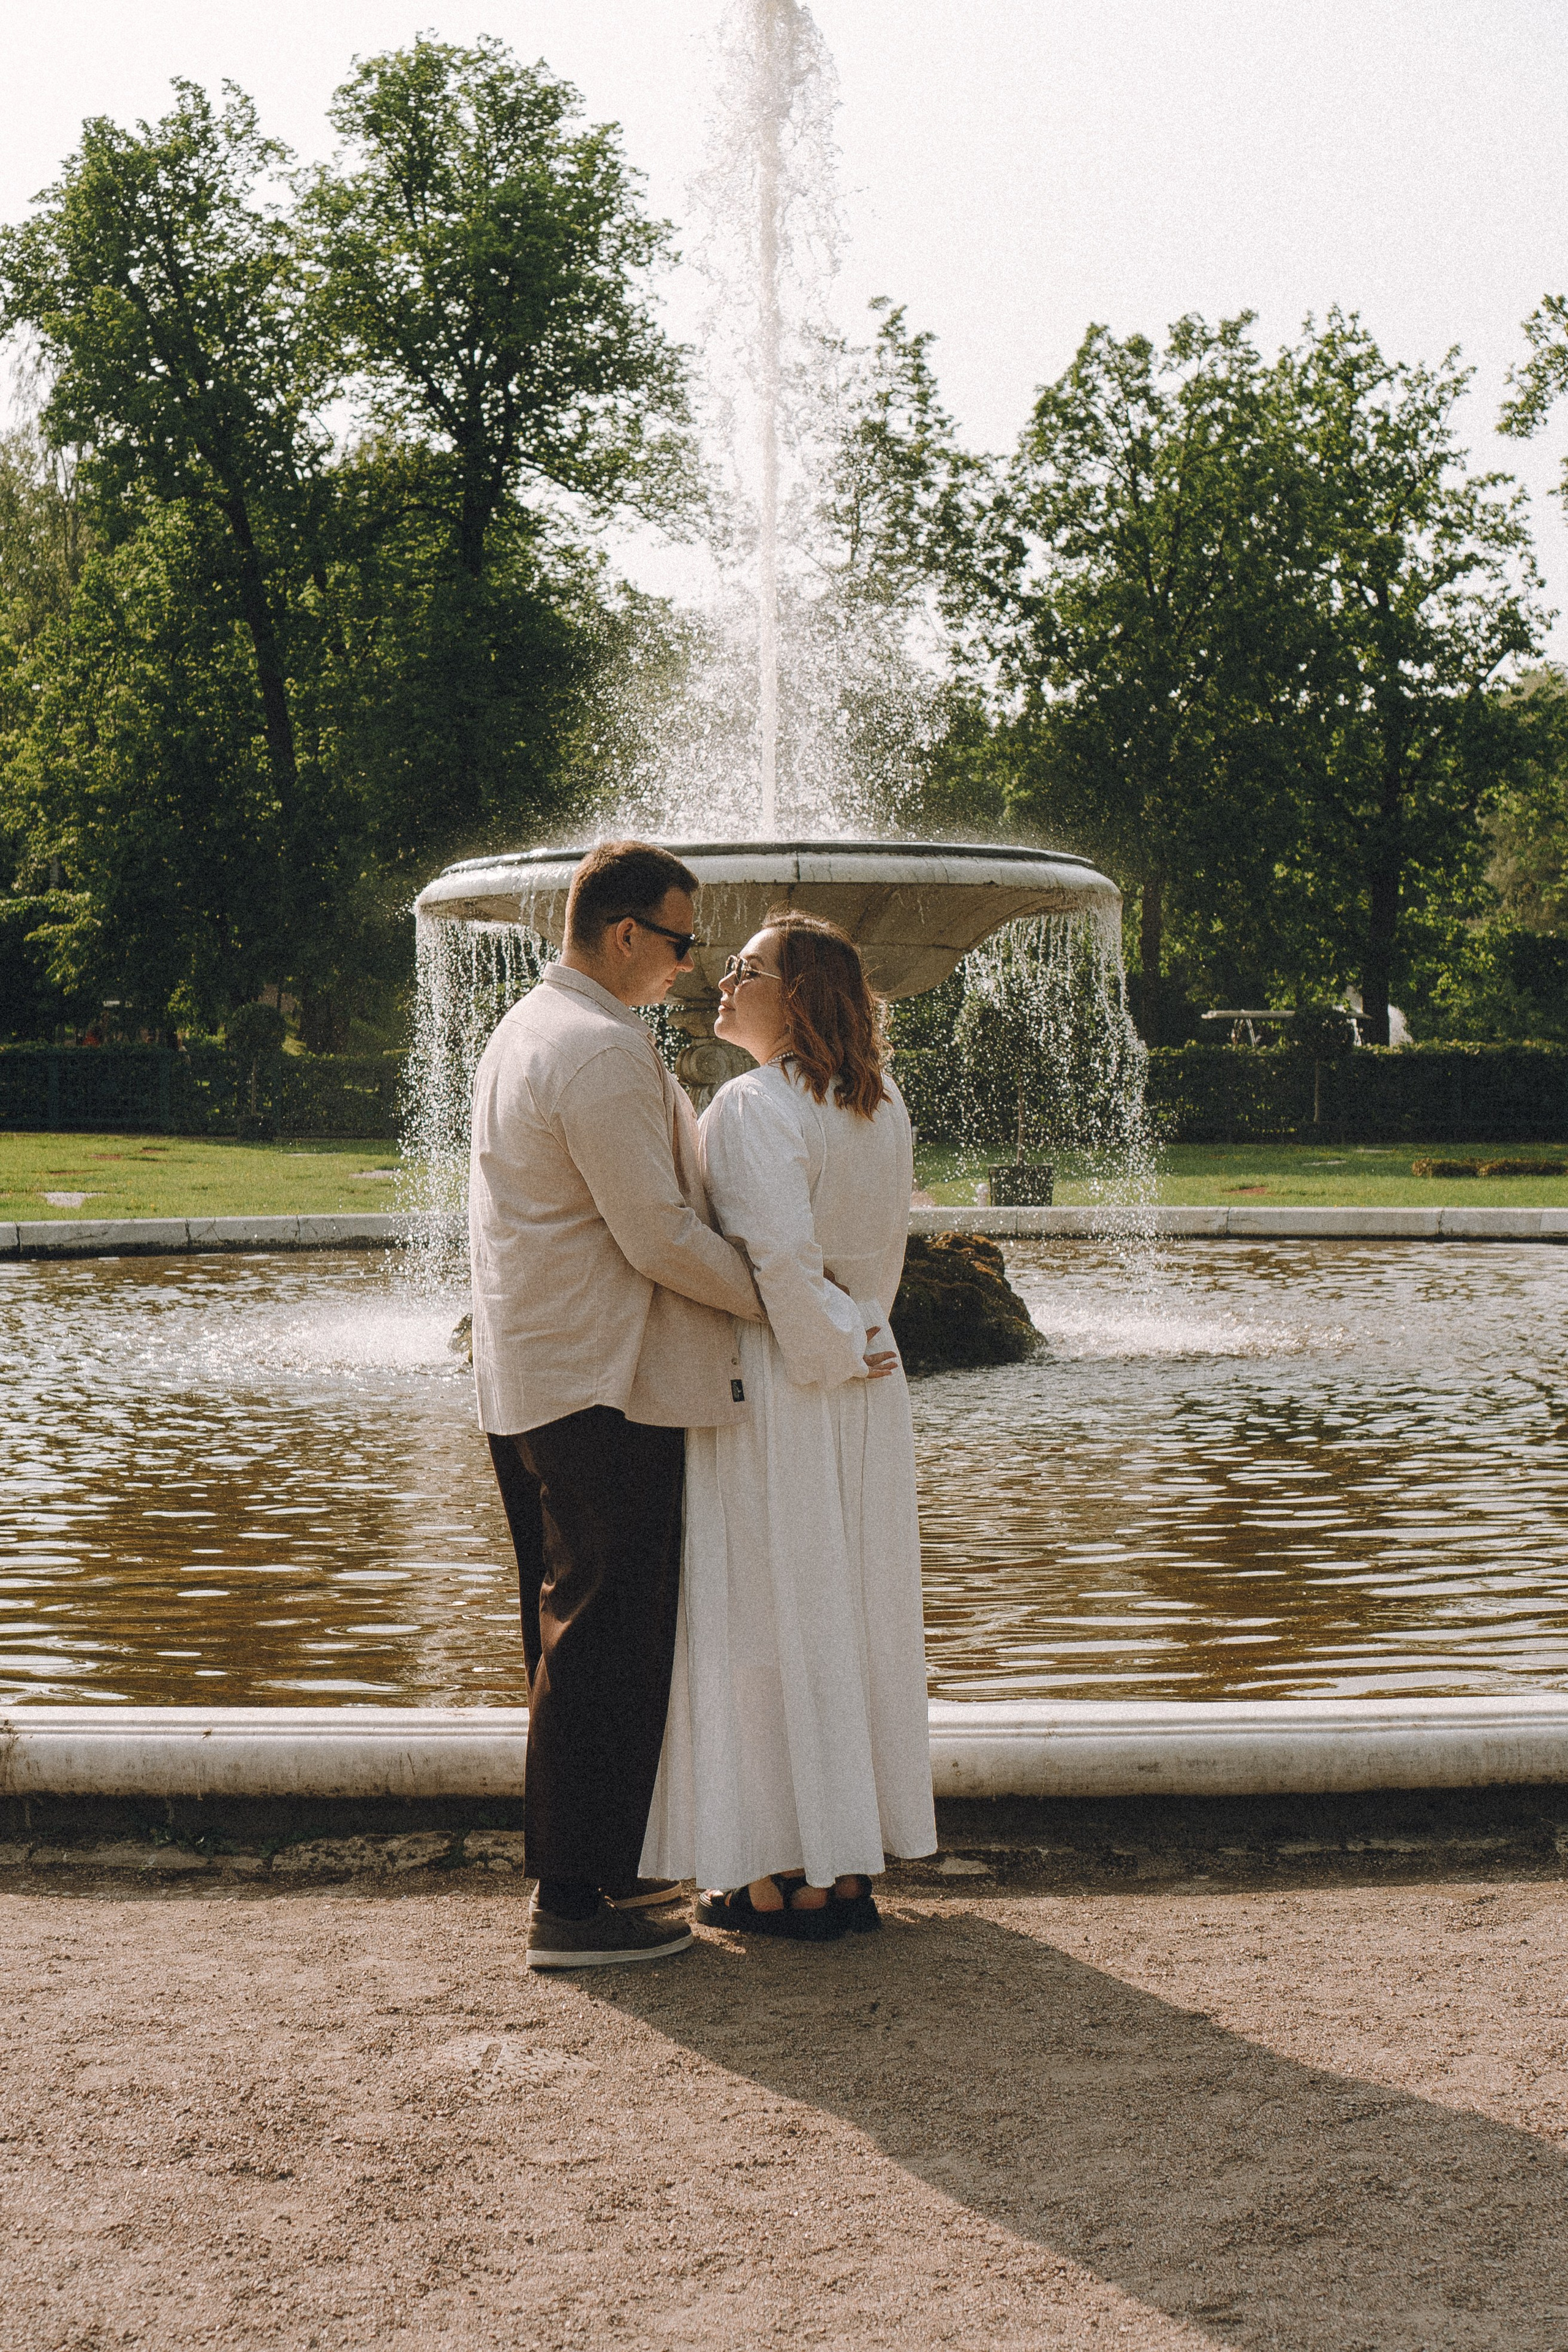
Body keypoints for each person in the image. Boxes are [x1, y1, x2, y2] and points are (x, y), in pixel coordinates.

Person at [470, 840, 767, 1971]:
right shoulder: (596, 1049)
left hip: (543, 1374)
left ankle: (601, 1871)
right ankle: (573, 1904)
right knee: (604, 1635)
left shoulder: (530, 1030)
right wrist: (782, 1301)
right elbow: (655, 1237)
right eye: (683, 942)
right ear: (628, 933)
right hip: (604, 1378)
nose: (691, 967)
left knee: (570, 1629)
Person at [642, 911, 939, 1936]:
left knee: (764, 1608)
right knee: (846, 1605)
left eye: (751, 969)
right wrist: (859, 1338)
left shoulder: (751, 1104)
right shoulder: (882, 1103)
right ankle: (841, 1859)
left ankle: (780, 1868)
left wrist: (828, 1348)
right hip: (865, 1371)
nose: (723, 978)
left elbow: (774, 1259)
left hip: (786, 1378)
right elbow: (868, 1270)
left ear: (800, 995)